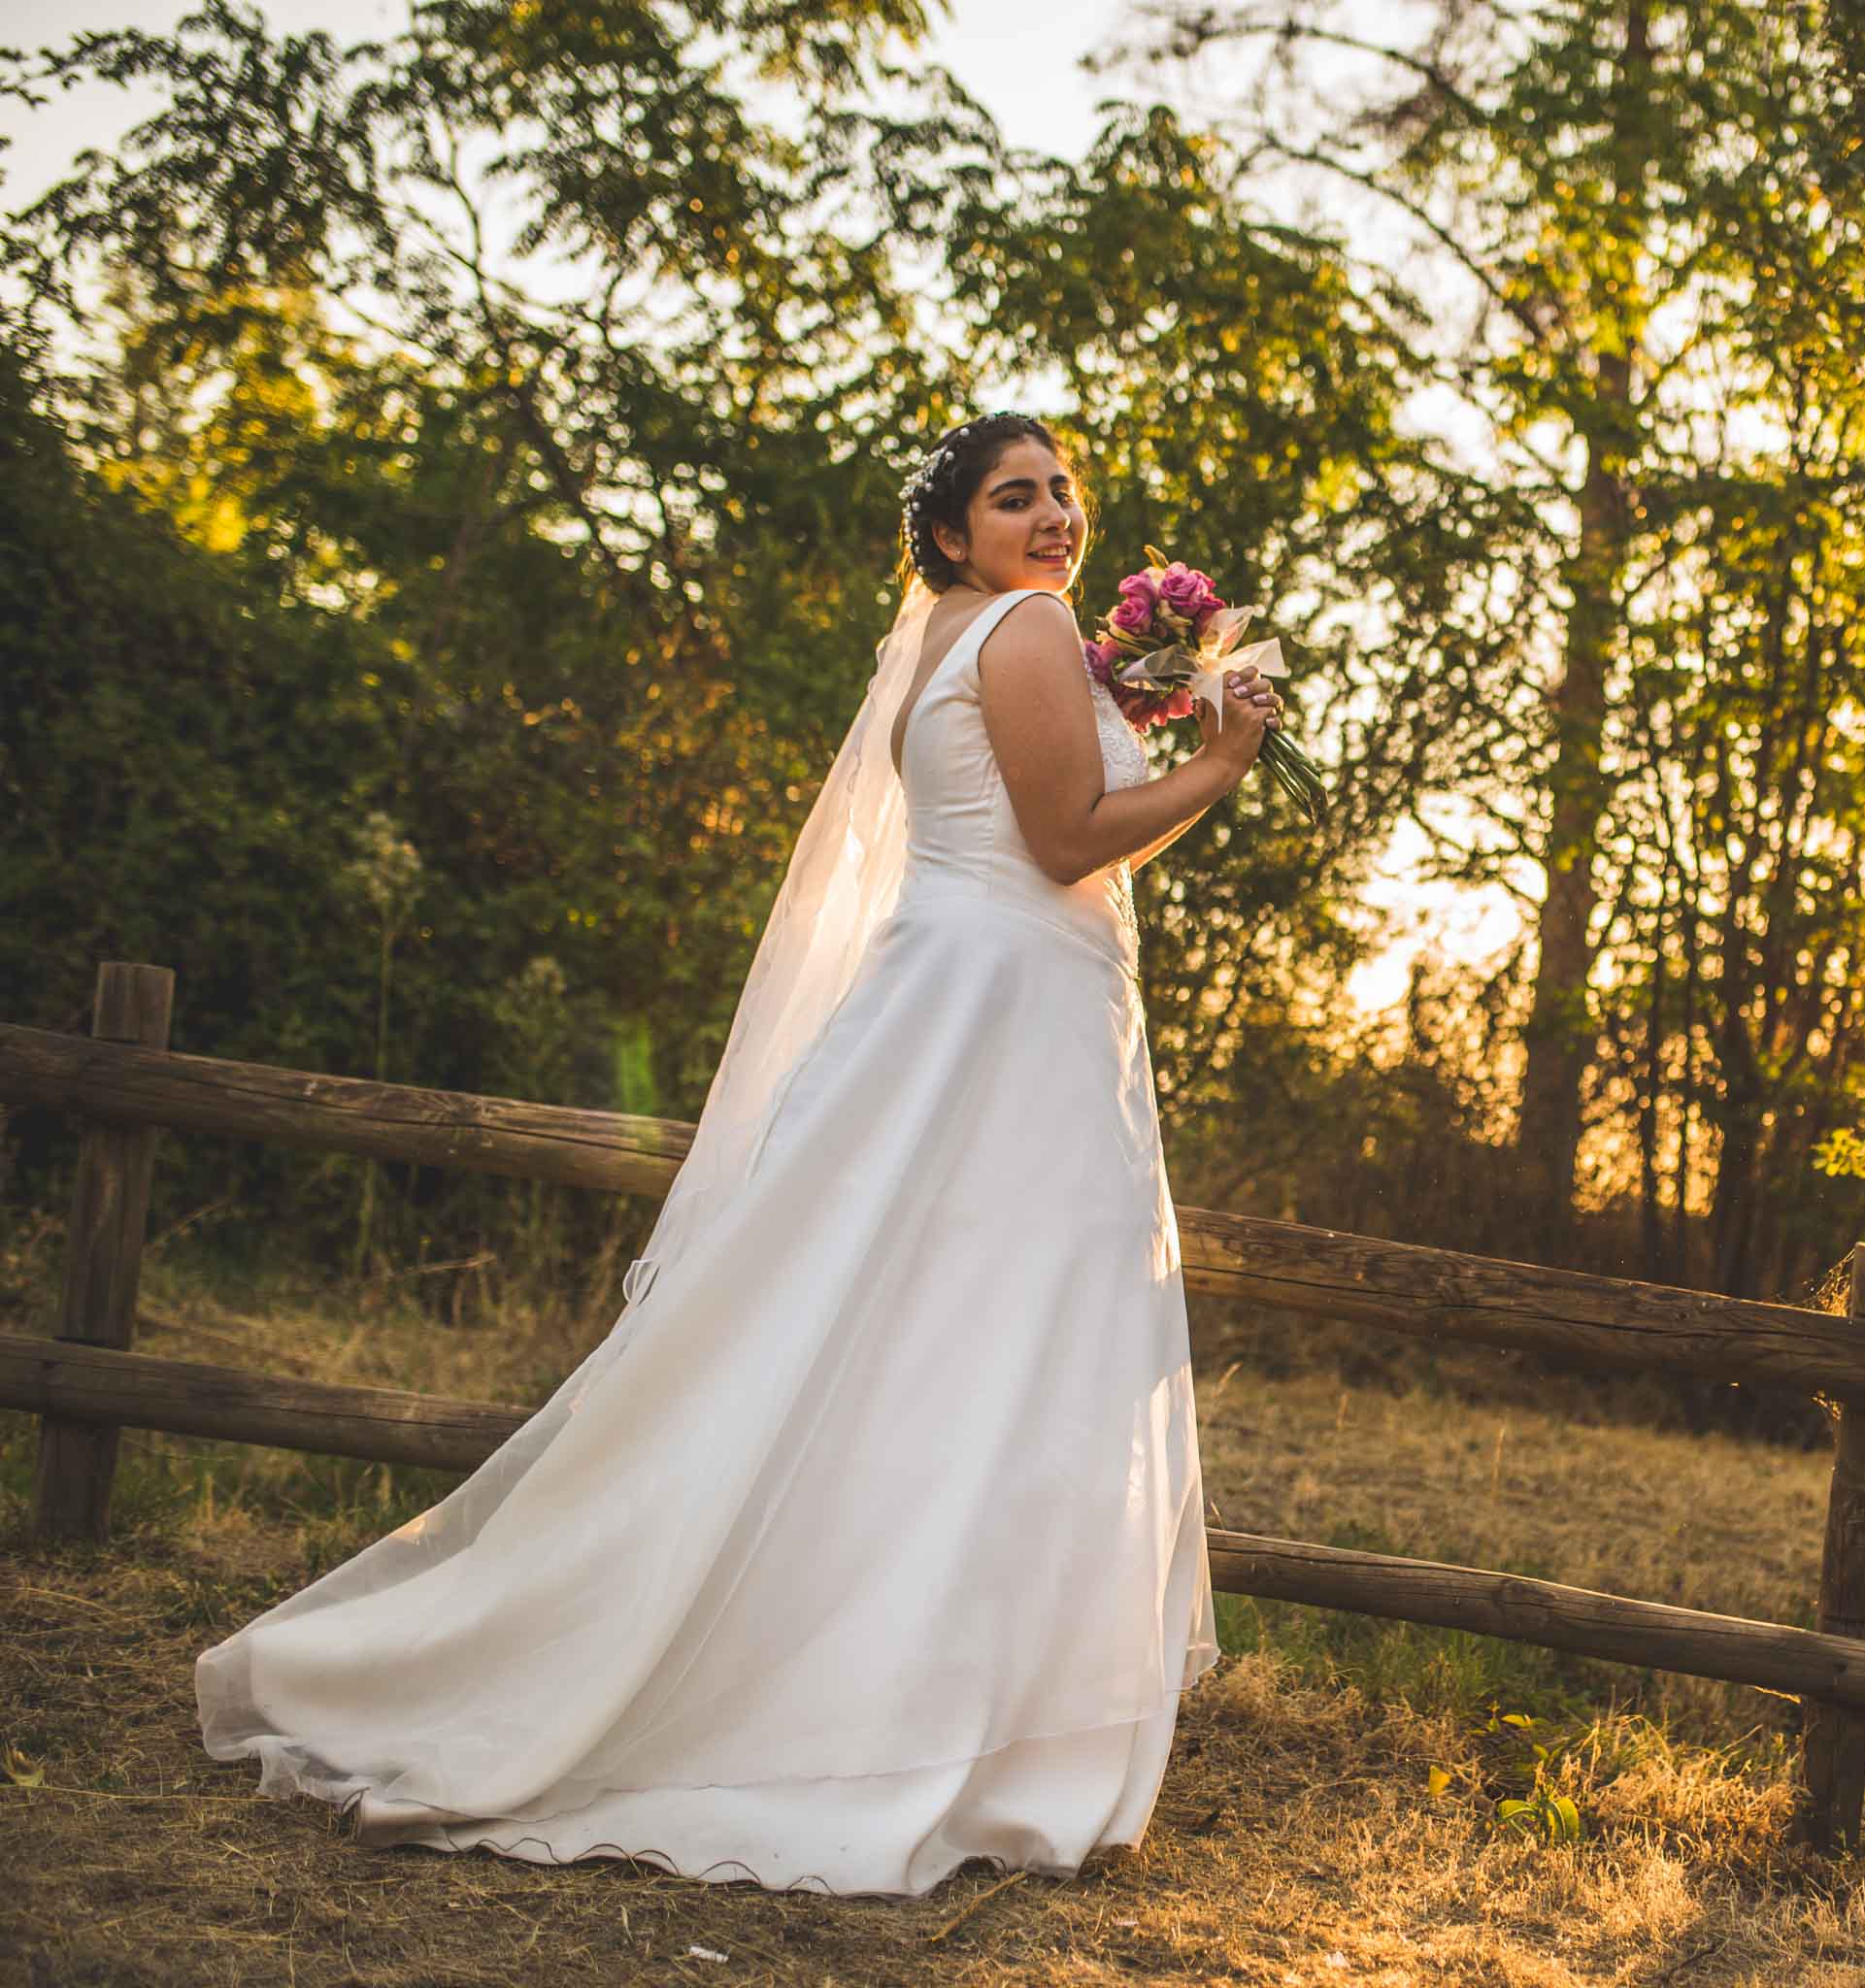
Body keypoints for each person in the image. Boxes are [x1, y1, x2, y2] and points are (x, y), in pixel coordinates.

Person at [193, 412, 1279, 1896]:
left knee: (900, 1331)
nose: (1053, 520)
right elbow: (1063, 840)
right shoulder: (1026, 624)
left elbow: (1061, 834)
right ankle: (929, 1713)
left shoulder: (962, 637)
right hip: (1001, 1014)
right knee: (997, 1338)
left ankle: (898, 1683)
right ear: (953, 533)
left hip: (982, 992)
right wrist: (1221, 757)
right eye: (1015, 498)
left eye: (1064, 494)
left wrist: (1156, 758)